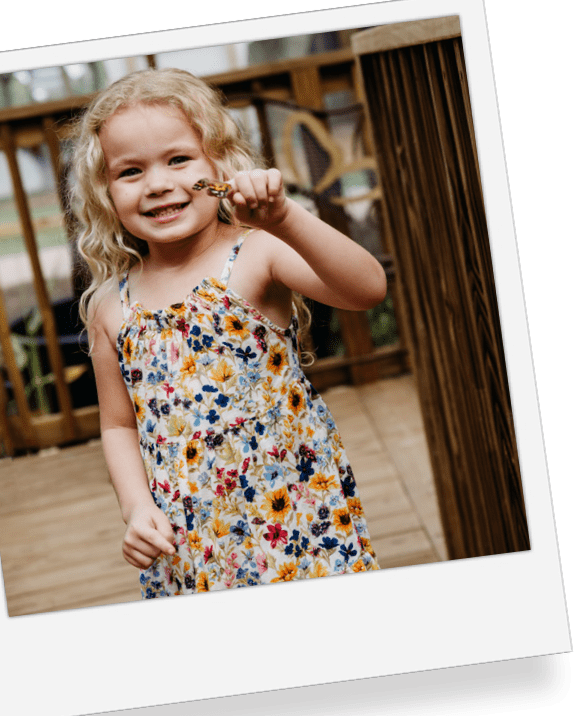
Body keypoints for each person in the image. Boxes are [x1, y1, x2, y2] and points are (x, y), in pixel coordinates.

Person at [71, 68, 386, 598]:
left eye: (178, 160)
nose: (158, 184)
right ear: (105, 193)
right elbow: (118, 426)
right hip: (192, 540)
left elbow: (367, 288)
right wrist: (136, 507)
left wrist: (284, 218)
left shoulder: (256, 252)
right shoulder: (110, 306)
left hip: (297, 515)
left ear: (218, 163)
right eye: (130, 171)